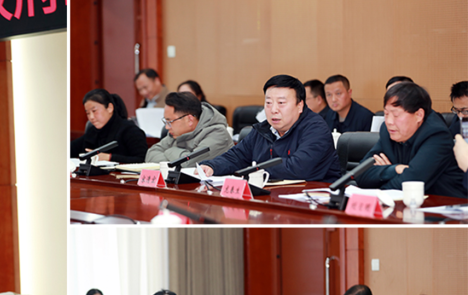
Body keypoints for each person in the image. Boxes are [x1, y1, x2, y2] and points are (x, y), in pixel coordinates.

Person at [200, 74, 341, 182]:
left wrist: (255, 169)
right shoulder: (263, 129)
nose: (273, 109)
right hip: (273, 196)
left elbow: (299, 169)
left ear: (300, 106)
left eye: (281, 103)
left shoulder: (316, 129)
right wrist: (212, 166)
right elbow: (237, 156)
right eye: (268, 103)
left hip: (315, 200)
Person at [355, 82, 467, 198]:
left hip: (447, 204)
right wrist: (395, 169)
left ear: (419, 115)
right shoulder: (389, 131)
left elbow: (410, 183)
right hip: (407, 205)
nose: (389, 121)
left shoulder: (437, 135)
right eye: (386, 114)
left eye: (396, 115)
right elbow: (359, 174)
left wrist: (380, 181)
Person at [145, 92, 233, 167]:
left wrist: (169, 150)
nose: (167, 127)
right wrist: (179, 158)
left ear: (190, 120)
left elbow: (189, 164)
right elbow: (150, 154)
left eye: (170, 121)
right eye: (166, 121)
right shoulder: (176, 133)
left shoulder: (218, 134)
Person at [70, 89, 148, 164]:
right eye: (88, 113)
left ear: (110, 108)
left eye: (94, 111)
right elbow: (70, 149)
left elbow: (142, 159)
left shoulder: (130, 130)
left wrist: (109, 157)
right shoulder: (92, 131)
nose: (91, 117)